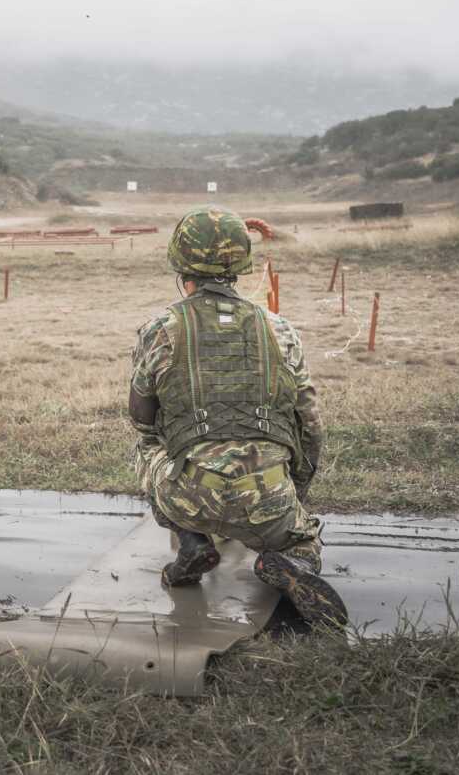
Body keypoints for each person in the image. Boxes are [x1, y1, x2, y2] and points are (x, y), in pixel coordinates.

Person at [129, 207, 348, 629]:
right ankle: (286, 561)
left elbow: (141, 417)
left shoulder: (160, 328)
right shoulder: (278, 329)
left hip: (188, 491)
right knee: (305, 543)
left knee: (146, 447)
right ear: (241, 265)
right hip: (267, 495)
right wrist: (292, 491)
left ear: (180, 263)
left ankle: (192, 540)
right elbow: (311, 427)